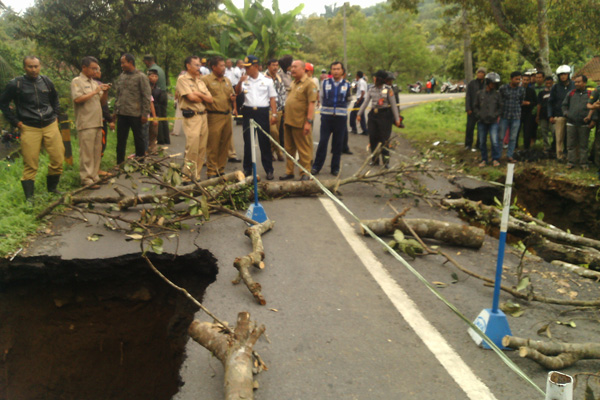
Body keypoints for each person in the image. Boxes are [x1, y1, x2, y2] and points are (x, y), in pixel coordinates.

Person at [0, 56, 65, 201]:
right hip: (29, 126)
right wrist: (16, 122)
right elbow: (3, 103)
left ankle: (52, 189)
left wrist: (55, 115)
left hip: (50, 124)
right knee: (30, 163)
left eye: (36, 66)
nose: (33, 69)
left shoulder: (46, 81)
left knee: (58, 158)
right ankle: (30, 198)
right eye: (30, 66)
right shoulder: (15, 84)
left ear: (40, 66)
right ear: (24, 67)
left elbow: (55, 98)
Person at [71, 56, 110, 189]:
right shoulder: (77, 81)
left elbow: (102, 102)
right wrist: (95, 92)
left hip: (97, 121)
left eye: (96, 69)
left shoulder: (94, 82)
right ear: (84, 68)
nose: (95, 71)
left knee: (96, 151)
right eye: (93, 68)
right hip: (86, 122)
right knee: (86, 152)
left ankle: (95, 176)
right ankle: (86, 179)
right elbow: (77, 99)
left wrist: (104, 92)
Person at [236, 55, 277, 180]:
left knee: (264, 142)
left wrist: (274, 114)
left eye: (249, 67)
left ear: (255, 66)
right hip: (248, 112)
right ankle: (247, 169)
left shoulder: (267, 80)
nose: (247, 70)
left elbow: (272, 98)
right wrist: (240, 82)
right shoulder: (244, 80)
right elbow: (237, 93)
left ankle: (269, 169)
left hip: (262, 112)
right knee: (248, 142)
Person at [175, 55, 213, 181]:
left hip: (203, 116)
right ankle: (187, 177)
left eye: (200, 65)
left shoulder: (200, 81)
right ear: (188, 66)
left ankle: (196, 176)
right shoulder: (183, 80)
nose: (199, 67)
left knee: (202, 148)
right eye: (196, 65)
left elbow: (210, 100)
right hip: (192, 117)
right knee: (192, 147)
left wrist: (197, 94)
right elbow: (191, 98)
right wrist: (200, 96)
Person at [311, 61, 352, 176]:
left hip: (341, 118)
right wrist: (328, 110)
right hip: (327, 118)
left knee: (337, 144)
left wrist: (340, 110)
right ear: (331, 71)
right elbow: (322, 98)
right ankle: (316, 166)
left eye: (338, 69)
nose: (336, 71)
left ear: (342, 71)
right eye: (333, 69)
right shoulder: (324, 83)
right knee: (323, 142)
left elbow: (348, 100)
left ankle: (335, 168)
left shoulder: (347, 84)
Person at [280, 59, 318, 181]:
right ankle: (289, 171)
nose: (292, 69)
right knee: (289, 148)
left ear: (303, 69)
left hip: (300, 122)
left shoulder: (309, 83)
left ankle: (305, 173)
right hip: (289, 121)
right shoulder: (293, 83)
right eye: (291, 67)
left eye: (295, 67)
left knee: (304, 149)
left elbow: (311, 104)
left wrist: (308, 122)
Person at [357, 70, 401, 167]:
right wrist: (359, 114)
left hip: (384, 116)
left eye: (375, 77)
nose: (374, 79)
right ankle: (375, 160)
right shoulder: (371, 89)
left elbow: (393, 105)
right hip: (373, 116)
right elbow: (365, 102)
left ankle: (386, 162)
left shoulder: (388, 90)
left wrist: (397, 119)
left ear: (380, 79)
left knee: (384, 139)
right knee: (373, 138)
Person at [114, 53, 152, 164]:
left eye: (123, 63)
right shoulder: (122, 76)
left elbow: (146, 96)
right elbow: (118, 94)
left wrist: (145, 114)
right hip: (122, 113)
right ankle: (120, 162)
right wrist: (115, 111)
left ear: (130, 62)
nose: (122, 65)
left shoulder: (141, 77)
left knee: (138, 138)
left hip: (135, 113)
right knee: (121, 139)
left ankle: (140, 161)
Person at [202, 56, 236, 178]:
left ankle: (220, 169)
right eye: (221, 65)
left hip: (227, 115)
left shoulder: (227, 80)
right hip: (214, 116)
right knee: (213, 144)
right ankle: (211, 170)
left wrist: (233, 100)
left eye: (224, 65)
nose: (224, 68)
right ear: (213, 67)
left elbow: (231, 94)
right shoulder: (205, 80)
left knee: (225, 144)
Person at [562, 74, 596, 169]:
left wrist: (593, 120)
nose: (576, 84)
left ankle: (583, 163)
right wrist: (566, 113)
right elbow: (564, 105)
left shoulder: (590, 94)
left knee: (583, 145)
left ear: (584, 83)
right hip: (571, 123)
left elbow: (595, 108)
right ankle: (571, 162)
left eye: (579, 82)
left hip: (584, 124)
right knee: (570, 144)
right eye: (575, 82)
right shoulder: (571, 93)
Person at [473, 72, 502, 167]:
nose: (494, 85)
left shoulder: (497, 94)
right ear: (488, 82)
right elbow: (475, 106)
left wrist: (496, 115)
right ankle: (484, 159)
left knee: (494, 141)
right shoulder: (479, 94)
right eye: (492, 83)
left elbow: (501, 107)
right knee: (482, 142)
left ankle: (495, 159)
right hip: (482, 122)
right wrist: (479, 115)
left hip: (493, 122)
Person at [548, 65, 574, 161]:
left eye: (565, 74)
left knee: (570, 137)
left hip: (572, 115)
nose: (563, 76)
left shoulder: (574, 85)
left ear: (568, 75)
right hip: (559, 115)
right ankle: (560, 156)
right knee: (559, 137)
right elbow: (550, 102)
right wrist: (550, 115)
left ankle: (570, 155)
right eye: (561, 75)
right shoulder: (555, 87)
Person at [143, 54, 170, 145]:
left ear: (147, 61)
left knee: (157, 115)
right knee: (163, 116)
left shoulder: (151, 71)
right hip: (164, 93)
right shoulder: (160, 69)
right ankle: (166, 138)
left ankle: (160, 139)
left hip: (157, 94)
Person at [499, 71, 525, 162]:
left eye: (519, 79)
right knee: (501, 137)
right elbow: (499, 101)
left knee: (513, 138)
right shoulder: (503, 88)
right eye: (516, 79)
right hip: (504, 116)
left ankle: (509, 155)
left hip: (516, 116)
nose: (518, 81)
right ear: (511, 79)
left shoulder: (521, 90)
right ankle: (498, 156)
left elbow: (521, 101)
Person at [93, 66, 114, 172]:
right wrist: (110, 119)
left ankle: (95, 169)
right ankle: (97, 169)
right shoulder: (99, 85)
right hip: (100, 120)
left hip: (92, 120)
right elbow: (103, 105)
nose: (100, 72)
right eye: (98, 70)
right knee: (100, 145)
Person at [265, 58, 286, 162]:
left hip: (279, 109)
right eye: (273, 65)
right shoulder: (263, 78)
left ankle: (271, 152)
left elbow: (282, 93)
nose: (275, 67)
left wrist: (283, 108)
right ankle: (279, 151)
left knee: (276, 132)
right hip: (268, 109)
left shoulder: (279, 78)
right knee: (273, 131)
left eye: (277, 65)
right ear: (268, 66)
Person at [464, 67, 486, 150]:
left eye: (482, 73)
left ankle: (479, 144)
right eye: (478, 72)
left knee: (481, 128)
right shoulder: (472, 83)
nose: (480, 74)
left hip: (482, 110)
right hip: (472, 109)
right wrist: (468, 108)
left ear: (484, 74)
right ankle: (468, 144)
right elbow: (468, 96)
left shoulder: (486, 84)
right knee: (470, 128)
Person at [148, 69, 167, 153]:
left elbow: (159, 103)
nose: (154, 78)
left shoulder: (158, 90)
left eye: (156, 76)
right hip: (146, 113)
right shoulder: (146, 88)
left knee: (154, 132)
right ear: (148, 77)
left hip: (155, 112)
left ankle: (153, 148)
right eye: (152, 76)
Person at [536, 76, 554, 152]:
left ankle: (554, 147)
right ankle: (546, 147)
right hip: (543, 115)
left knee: (554, 132)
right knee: (544, 132)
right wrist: (537, 115)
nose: (548, 85)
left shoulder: (555, 92)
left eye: (550, 83)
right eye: (547, 83)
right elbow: (539, 104)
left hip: (553, 115)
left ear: (552, 83)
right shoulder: (541, 93)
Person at [520, 72, 537, 150]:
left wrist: (529, 103)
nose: (525, 81)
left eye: (527, 80)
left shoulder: (531, 91)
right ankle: (514, 147)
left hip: (528, 113)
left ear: (529, 81)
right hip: (518, 112)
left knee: (527, 131)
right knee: (516, 131)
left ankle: (526, 148)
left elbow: (535, 102)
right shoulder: (518, 89)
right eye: (524, 80)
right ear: (521, 80)